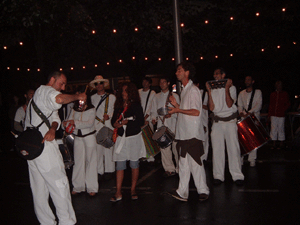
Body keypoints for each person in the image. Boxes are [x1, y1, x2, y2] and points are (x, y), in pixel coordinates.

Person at [24, 71, 86, 225]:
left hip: (33, 148)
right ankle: (67, 221)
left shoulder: (39, 96)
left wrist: (52, 129)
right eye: (61, 83)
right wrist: (77, 96)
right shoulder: (46, 91)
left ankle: (46, 222)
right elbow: (58, 99)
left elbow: (54, 118)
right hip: (43, 147)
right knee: (59, 184)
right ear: (52, 80)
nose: (63, 87)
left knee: (39, 188)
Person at [168, 61, 209, 202]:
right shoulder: (185, 90)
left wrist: (178, 109)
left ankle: (203, 190)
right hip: (184, 134)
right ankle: (182, 192)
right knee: (184, 164)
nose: (176, 73)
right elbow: (185, 111)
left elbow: (196, 112)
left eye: (179, 70)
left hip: (192, 134)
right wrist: (177, 105)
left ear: (187, 73)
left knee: (196, 163)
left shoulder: (193, 90)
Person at [206, 68, 244, 186]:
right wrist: (209, 91)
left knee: (233, 149)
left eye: (217, 73)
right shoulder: (212, 89)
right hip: (217, 123)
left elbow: (229, 104)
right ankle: (218, 176)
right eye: (214, 74)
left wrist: (226, 88)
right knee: (217, 150)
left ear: (223, 75)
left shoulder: (232, 88)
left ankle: (237, 175)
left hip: (230, 122)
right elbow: (211, 108)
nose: (215, 76)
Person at [110, 82, 146, 202]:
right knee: (120, 165)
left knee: (134, 164)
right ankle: (118, 191)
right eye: (122, 91)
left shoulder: (136, 105)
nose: (124, 93)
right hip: (121, 138)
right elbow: (113, 120)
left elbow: (141, 121)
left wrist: (128, 122)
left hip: (133, 138)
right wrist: (116, 124)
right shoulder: (119, 105)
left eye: (126, 91)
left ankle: (133, 189)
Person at [63, 88, 98, 196]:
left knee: (91, 162)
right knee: (78, 162)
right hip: (78, 137)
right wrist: (64, 124)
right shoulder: (74, 109)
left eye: (81, 95)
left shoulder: (91, 109)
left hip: (89, 137)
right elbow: (68, 120)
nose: (80, 98)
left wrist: (75, 122)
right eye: (78, 95)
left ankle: (92, 187)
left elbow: (90, 123)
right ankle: (78, 186)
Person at [151, 77, 180, 177]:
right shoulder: (156, 96)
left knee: (176, 148)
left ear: (168, 83)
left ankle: (180, 168)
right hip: (162, 125)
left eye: (164, 82)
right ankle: (169, 169)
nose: (162, 84)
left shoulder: (174, 95)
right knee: (164, 148)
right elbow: (154, 110)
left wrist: (172, 115)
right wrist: (153, 118)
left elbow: (179, 110)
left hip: (173, 125)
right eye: (161, 82)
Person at [90, 75, 116, 180]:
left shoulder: (112, 97)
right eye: (96, 83)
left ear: (104, 84)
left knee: (109, 148)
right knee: (98, 149)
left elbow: (115, 110)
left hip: (108, 124)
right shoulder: (92, 98)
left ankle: (110, 170)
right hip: (96, 125)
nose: (99, 85)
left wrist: (109, 115)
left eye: (101, 83)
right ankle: (99, 171)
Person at [237, 75, 262, 167]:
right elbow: (239, 105)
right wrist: (241, 112)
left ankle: (252, 159)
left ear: (253, 81)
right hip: (244, 118)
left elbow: (258, 105)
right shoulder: (241, 93)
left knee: (253, 139)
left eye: (249, 80)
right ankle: (241, 158)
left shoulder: (258, 92)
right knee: (243, 138)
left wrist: (250, 112)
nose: (247, 81)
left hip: (253, 117)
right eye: (246, 80)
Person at [268, 80, 290, 149]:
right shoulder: (273, 94)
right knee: (273, 128)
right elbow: (270, 105)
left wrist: (283, 109)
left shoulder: (284, 94)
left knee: (281, 128)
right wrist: (269, 114)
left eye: (280, 85)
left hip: (281, 114)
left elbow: (288, 103)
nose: (279, 87)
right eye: (277, 85)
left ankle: (281, 143)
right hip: (273, 114)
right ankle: (274, 143)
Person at [138, 77, 156, 162]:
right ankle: (143, 155)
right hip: (139, 118)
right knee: (140, 139)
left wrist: (146, 118)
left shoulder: (152, 93)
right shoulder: (139, 92)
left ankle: (151, 156)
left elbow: (151, 106)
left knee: (148, 137)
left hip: (147, 119)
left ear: (150, 84)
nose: (144, 83)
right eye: (143, 81)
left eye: (146, 82)